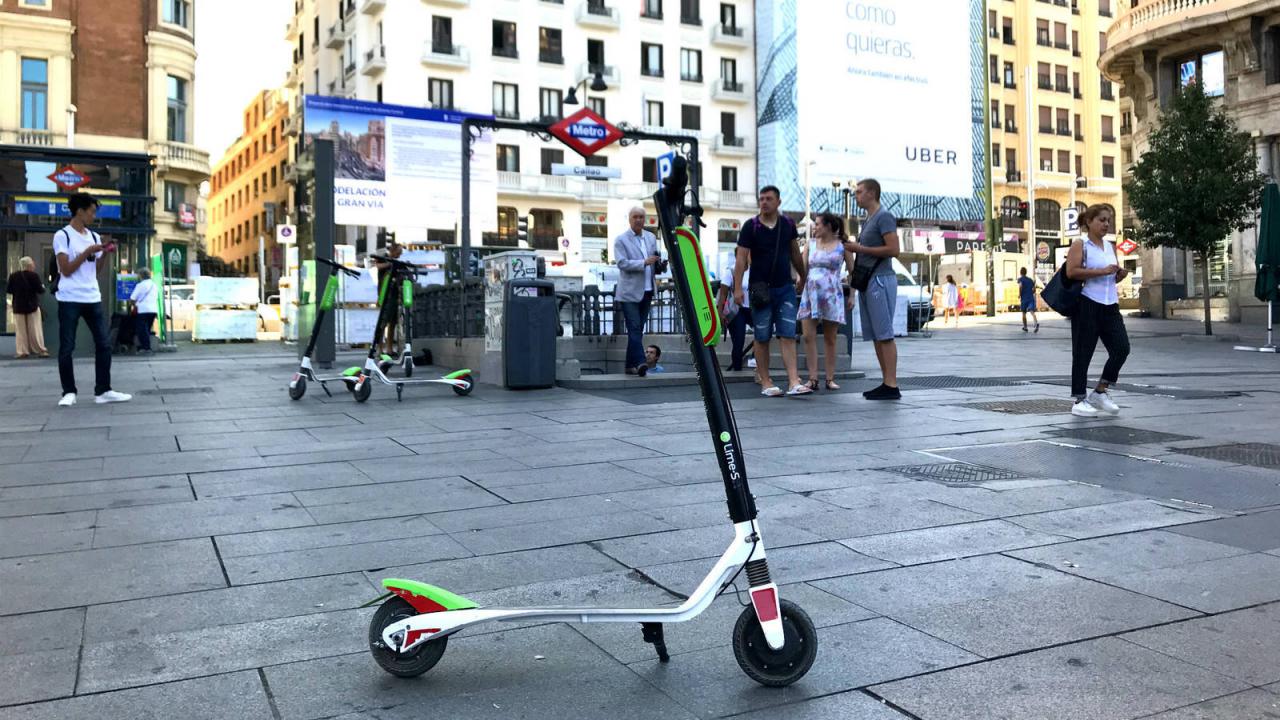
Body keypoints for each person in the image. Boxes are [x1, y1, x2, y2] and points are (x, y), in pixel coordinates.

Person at [54, 193, 131, 407]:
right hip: (69, 298)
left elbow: (95, 271)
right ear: (80, 211)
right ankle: (68, 392)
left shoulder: (95, 236)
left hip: (92, 296)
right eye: (92, 211)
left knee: (104, 344)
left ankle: (103, 390)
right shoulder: (63, 236)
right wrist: (87, 251)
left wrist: (105, 253)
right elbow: (67, 270)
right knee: (67, 346)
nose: (94, 216)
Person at [733, 186, 810, 396]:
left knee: (787, 333)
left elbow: (794, 252)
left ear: (778, 201)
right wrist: (737, 288)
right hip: (760, 288)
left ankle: (794, 381)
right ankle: (766, 381)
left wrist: (803, 275)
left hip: (784, 287)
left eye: (768, 199)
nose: (764, 202)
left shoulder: (787, 225)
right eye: (761, 199)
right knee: (762, 336)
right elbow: (741, 258)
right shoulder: (751, 226)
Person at [1066, 204, 1129, 418]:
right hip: (1088, 304)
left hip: (1110, 304)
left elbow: (1111, 274)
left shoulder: (1110, 246)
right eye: (1101, 220)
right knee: (1083, 353)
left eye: (1108, 220)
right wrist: (1101, 271)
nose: (1106, 224)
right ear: (1089, 222)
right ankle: (1079, 399)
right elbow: (1071, 272)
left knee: (1122, 348)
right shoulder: (1080, 244)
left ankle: (1100, 391)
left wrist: (1119, 275)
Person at [843, 178, 901, 400]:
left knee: (884, 334)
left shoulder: (884, 217)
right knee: (877, 335)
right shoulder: (869, 219)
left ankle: (891, 383)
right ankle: (887, 382)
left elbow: (894, 249)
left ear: (871, 193)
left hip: (881, 280)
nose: (856, 195)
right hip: (870, 281)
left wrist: (860, 248)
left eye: (859, 192)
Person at [799, 213, 854, 391]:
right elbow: (802, 269)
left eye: (817, 224)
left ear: (828, 226)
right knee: (808, 336)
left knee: (831, 338)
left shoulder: (842, 246)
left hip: (832, 293)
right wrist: (799, 283)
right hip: (811, 293)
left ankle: (830, 378)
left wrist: (852, 295)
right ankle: (812, 378)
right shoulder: (810, 244)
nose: (814, 227)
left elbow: (853, 272)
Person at [614, 207, 664, 376]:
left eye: (641, 217)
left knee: (637, 330)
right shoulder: (621, 240)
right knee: (634, 328)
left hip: (648, 290)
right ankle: (641, 362)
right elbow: (621, 263)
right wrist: (643, 262)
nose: (638, 220)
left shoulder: (650, 237)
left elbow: (653, 260)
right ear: (629, 219)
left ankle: (629, 366)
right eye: (635, 217)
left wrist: (658, 264)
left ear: (645, 219)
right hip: (629, 292)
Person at [6, 256, 49, 358]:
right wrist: (42, 286)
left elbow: (9, 290)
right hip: (32, 306)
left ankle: (22, 351)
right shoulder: (34, 276)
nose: (34, 265)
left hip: (18, 306)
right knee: (35, 329)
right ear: (29, 265)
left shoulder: (13, 276)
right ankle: (40, 350)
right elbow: (40, 290)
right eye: (33, 264)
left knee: (20, 331)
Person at [715, 257, 752, 372]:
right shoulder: (730, 272)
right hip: (737, 310)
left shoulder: (753, 270)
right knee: (738, 341)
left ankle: (754, 358)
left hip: (752, 309)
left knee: (764, 334)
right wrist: (720, 314)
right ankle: (737, 369)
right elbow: (722, 295)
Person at [128, 268, 159, 355]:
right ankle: (145, 347)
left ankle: (146, 348)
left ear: (141, 275)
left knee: (142, 330)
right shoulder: (154, 285)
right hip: (153, 310)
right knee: (147, 330)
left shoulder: (140, 285)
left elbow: (133, 298)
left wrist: (134, 305)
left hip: (142, 310)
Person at [1018, 267, 1040, 333]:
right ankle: (1036, 323)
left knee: (1024, 313)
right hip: (1030, 298)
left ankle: (1025, 327)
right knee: (1032, 312)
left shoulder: (1020, 279)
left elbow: (1020, 286)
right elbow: (1034, 290)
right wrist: (1030, 293)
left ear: (1020, 272)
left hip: (1024, 299)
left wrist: (1019, 294)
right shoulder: (1030, 280)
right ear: (1026, 272)